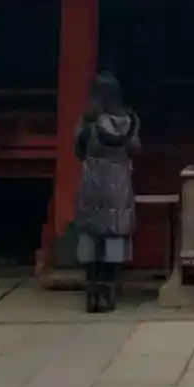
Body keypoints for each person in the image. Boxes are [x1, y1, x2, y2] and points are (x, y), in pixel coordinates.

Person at [72, 71, 140, 312]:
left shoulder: (88, 121)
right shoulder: (130, 120)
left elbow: (78, 151)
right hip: (118, 181)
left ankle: (92, 293)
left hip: (93, 180)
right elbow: (135, 149)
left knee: (91, 234)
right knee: (115, 235)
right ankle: (108, 292)